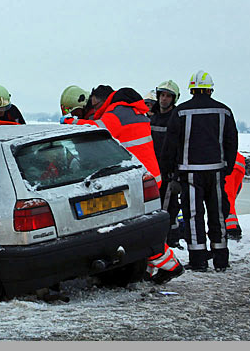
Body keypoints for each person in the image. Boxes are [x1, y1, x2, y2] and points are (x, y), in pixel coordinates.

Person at [62, 86, 184, 284]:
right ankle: (154, 269)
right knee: (143, 224)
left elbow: (96, 129)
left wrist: (71, 121)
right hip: (149, 176)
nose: (93, 107)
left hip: (141, 179)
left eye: (94, 103)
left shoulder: (117, 113)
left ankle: (169, 265)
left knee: (141, 230)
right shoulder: (133, 111)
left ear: (101, 99)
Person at [160, 70, 238, 273]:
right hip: (216, 171)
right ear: (210, 89)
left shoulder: (181, 112)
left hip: (190, 172)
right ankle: (221, 259)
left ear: (191, 89)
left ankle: (198, 259)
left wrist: (169, 171)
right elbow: (232, 142)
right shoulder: (225, 111)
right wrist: (227, 167)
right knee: (218, 214)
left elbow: (170, 145)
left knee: (193, 215)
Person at [149, 80, 183, 248]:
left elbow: (178, 148)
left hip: (167, 173)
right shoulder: (152, 118)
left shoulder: (175, 119)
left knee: (169, 207)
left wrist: (175, 173)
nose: (164, 99)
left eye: (168, 96)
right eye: (162, 95)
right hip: (151, 171)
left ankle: (170, 239)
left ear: (174, 99)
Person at [224, 151, 246, 240]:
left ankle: (232, 229)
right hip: (239, 165)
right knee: (229, 199)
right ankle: (232, 226)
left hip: (229, 165)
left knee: (226, 199)